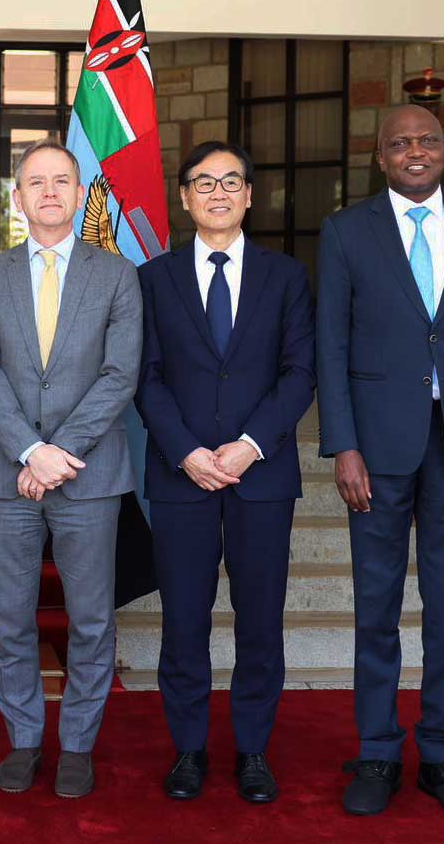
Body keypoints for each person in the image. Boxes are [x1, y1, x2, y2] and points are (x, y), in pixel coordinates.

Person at [316, 104, 444, 822]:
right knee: (375, 609)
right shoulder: (345, 231)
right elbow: (330, 345)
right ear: (379, 156)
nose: (414, 151)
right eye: (398, 142)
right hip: (375, 445)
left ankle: (443, 756)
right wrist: (341, 443)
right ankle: (376, 750)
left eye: (426, 140)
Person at [0, 140, 141, 799]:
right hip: (5, 474)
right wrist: (29, 451)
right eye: (35, 182)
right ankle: (25, 739)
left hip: (89, 475)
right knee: (11, 617)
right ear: (17, 197)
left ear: (77, 190)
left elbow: (120, 373)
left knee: (90, 618)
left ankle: (79, 745)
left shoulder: (115, 275)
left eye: (61, 180)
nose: (49, 192)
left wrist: (58, 452)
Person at [133, 141, 315, 803]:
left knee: (259, 620)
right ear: (183, 198)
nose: (217, 193)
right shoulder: (151, 279)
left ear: (248, 195)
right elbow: (144, 377)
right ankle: (187, 750)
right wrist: (185, 450)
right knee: (183, 620)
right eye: (203, 182)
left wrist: (249, 445)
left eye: (230, 182)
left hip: (260, 477)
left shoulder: (286, 276)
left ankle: (253, 750)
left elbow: (300, 373)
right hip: (179, 475)